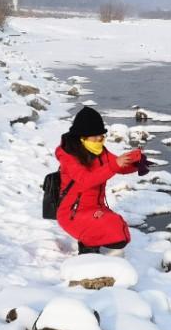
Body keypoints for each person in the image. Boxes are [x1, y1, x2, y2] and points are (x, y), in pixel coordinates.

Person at [55, 106, 146, 255]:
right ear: (82, 136)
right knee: (109, 228)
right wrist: (115, 165)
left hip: (96, 208)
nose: (99, 139)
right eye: (95, 136)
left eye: (102, 135)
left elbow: (118, 165)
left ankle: (91, 245)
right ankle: (87, 253)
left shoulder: (98, 150)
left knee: (119, 229)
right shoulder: (69, 156)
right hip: (72, 213)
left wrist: (136, 162)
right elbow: (86, 180)